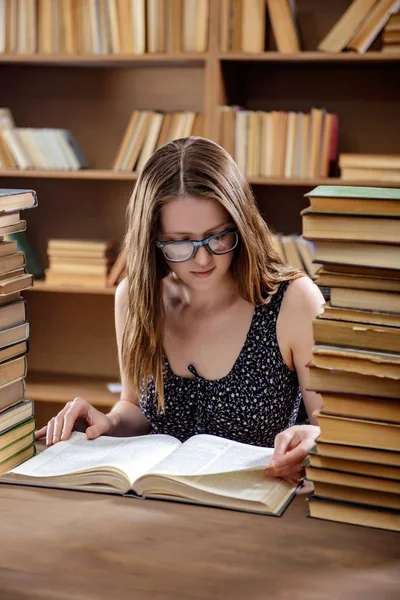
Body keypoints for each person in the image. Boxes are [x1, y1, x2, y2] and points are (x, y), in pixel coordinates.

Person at [36, 137, 324, 484]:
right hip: (162, 508)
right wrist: (109, 422)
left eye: (218, 236)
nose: (203, 258)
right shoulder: (135, 298)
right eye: (181, 242)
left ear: (241, 225)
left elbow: (332, 430)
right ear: (153, 239)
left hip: (264, 511)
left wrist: (315, 440)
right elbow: (135, 407)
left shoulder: (293, 301)